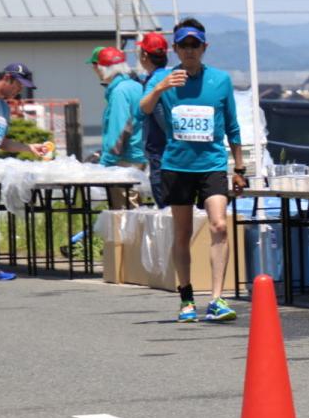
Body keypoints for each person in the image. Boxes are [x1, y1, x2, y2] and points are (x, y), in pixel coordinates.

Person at [140, 18, 246, 323]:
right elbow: (144, 109)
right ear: (174, 49)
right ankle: (186, 298)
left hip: (212, 164)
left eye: (194, 45)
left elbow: (232, 126)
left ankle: (216, 299)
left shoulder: (220, 80)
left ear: (204, 47)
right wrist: (160, 87)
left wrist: (239, 167)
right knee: (183, 233)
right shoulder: (165, 79)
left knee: (219, 226)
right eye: (183, 45)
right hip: (177, 165)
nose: (189, 50)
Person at [0, 64, 48, 281]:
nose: (19, 90)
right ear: (8, 78)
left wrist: (30, 148)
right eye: (19, 84)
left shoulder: (4, 108)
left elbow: (1, 142)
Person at [94, 47, 147, 208]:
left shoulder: (119, 92)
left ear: (104, 69)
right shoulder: (136, 86)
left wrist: (106, 163)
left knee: (124, 216)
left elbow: (120, 128)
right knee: (136, 211)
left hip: (124, 162)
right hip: (140, 157)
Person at [137, 32, 172, 207]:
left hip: (161, 153)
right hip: (169, 154)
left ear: (144, 55)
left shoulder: (155, 81)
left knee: (167, 209)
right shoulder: (170, 75)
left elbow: (162, 119)